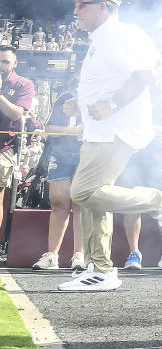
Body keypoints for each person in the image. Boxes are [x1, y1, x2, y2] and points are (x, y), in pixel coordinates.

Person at [56, 0, 162, 292]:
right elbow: (106, 84)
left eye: (83, 3)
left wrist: (112, 104)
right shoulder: (102, 38)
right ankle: (99, 268)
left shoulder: (120, 33)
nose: (76, 9)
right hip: (101, 130)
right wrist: (81, 105)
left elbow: (144, 74)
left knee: (83, 193)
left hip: (115, 130)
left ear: (104, 6)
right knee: (92, 199)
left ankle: (161, 202)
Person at [118, 65, 162, 271]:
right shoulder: (132, 97)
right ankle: (134, 253)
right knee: (132, 205)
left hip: (161, 161)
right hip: (134, 158)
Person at [33, 83, 85, 271]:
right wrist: (71, 131)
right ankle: (52, 255)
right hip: (62, 153)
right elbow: (49, 128)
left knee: (81, 203)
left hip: (88, 152)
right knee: (58, 202)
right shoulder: (66, 96)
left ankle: (80, 255)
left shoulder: (102, 95)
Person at [0, 44, 34, 256]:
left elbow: (15, 115)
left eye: (5, 62)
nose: (1, 66)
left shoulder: (24, 84)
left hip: (3, 147)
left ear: (15, 64)